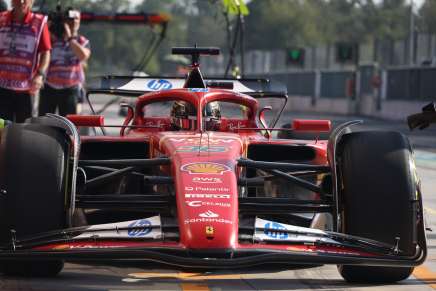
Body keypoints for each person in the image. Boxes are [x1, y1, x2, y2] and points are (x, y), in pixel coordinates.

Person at [0, 0, 51, 122]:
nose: (22, 1)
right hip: (2, 88)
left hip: (26, 89)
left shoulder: (39, 22)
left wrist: (40, 75)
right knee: (2, 129)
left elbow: (46, 52)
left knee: (24, 129)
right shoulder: (1, 19)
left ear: (32, 2)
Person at [39, 7, 90, 117]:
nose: (74, 21)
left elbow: (83, 56)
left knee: (69, 125)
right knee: (44, 123)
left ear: (80, 20)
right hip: (49, 87)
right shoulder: (52, 39)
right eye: (70, 19)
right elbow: (39, 48)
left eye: (76, 18)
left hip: (70, 88)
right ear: (64, 21)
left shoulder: (82, 41)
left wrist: (70, 38)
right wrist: (47, 27)